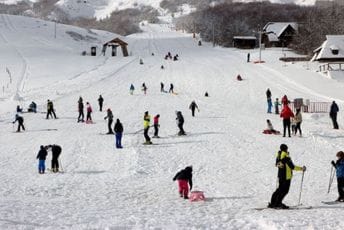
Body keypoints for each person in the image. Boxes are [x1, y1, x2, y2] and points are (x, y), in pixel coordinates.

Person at [269, 144, 306, 209]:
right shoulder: (286, 157)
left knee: (279, 189)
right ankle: (278, 203)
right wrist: (301, 168)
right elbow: (292, 167)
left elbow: (277, 164)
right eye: (287, 149)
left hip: (280, 176)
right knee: (284, 191)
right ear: (285, 149)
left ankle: (273, 202)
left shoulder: (279, 156)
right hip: (286, 177)